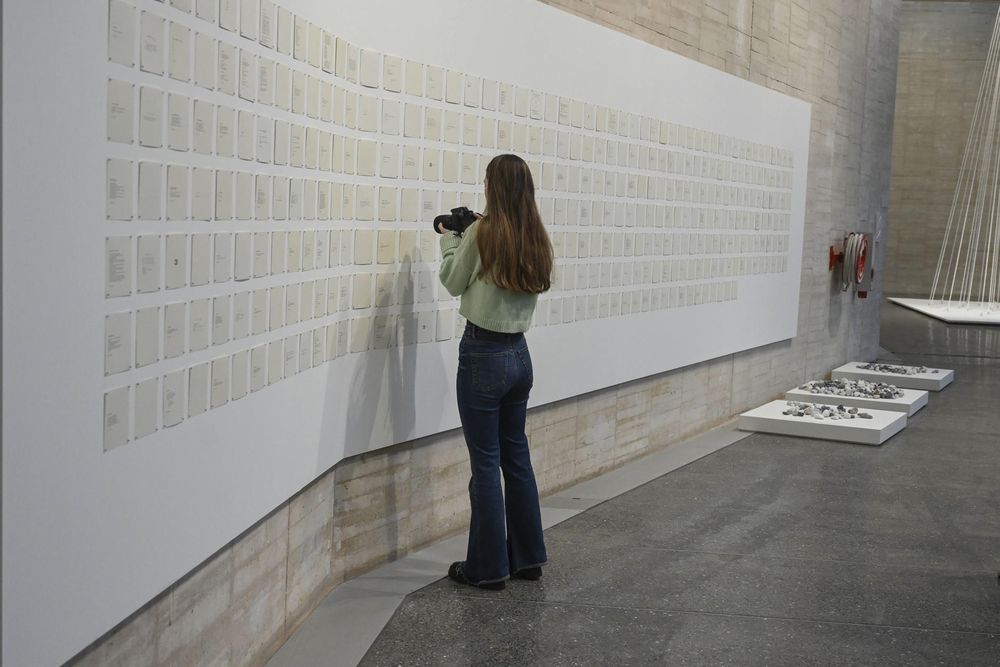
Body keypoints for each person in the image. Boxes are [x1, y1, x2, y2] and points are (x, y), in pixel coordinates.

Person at [435, 153, 554, 590]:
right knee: (516, 457)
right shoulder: (535, 235)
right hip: (520, 356)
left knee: (485, 464)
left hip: (483, 354)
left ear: (492, 186)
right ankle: (527, 558)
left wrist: (450, 238)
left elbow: (451, 280)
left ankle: (486, 568)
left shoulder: (484, 232)